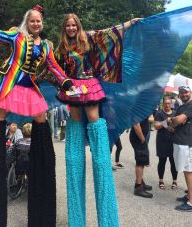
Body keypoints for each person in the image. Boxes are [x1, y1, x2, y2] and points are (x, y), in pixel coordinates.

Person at [0, 5, 74, 227]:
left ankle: (40, 162)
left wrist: (67, 83)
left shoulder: (47, 47)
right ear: (27, 23)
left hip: (29, 87)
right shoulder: (17, 36)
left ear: (42, 23)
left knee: (40, 118)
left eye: (39, 21)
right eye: (32, 21)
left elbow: (55, 68)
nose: (36, 24)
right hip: (10, 83)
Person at [54, 13, 140, 227]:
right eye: (68, 25)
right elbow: (52, 66)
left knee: (94, 120)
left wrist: (128, 24)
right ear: (64, 28)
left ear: (78, 26)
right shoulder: (61, 48)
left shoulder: (87, 38)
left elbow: (108, 34)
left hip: (88, 84)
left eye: (74, 25)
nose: (71, 28)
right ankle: (77, 219)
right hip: (71, 87)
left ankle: (101, 154)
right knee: (74, 123)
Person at [167, 86, 192, 211]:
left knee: (189, 171)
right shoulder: (182, 106)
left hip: (186, 143)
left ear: (190, 92)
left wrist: (174, 120)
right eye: (181, 92)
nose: (183, 94)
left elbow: (177, 120)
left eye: (186, 92)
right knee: (186, 170)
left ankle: (191, 202)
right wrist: (173, 120)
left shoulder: (190, 105)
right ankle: (189, 195)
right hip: (180, 141)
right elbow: (172, 123)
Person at [154, 96, 177, 190]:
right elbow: (156, 126)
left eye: (169, 103)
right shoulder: (159, 113)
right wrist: (165, 121)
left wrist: (174, 129)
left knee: (174, 162)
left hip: (173, 141)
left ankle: (175, 181)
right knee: (162, 161)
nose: (167, 105)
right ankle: (161, 180)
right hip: (162, 141)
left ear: (171, 103)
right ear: (163, 104)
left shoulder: (175, 113)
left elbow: (179, 125)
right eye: (166, 103)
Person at [129, 116, 153, 198]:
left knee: (142, 160)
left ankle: (140, 182)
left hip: (140, 138)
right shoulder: (137, 107)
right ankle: (138, 187)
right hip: (138, 138)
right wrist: (142, 139)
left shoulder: (142, 107)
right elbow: (136, 125)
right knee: (140, 160)